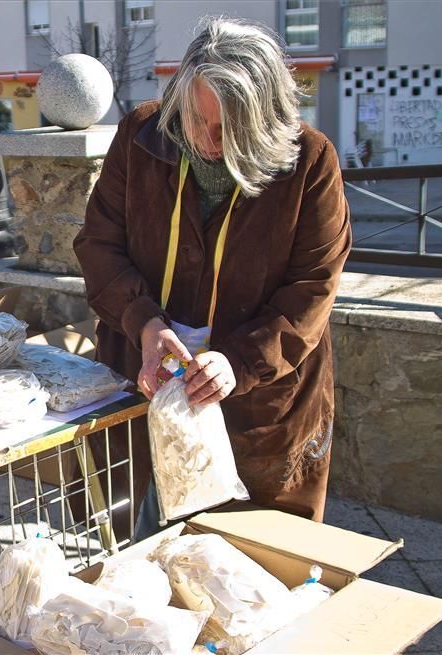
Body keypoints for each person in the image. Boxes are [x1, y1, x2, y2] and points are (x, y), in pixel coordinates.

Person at [74, 18, 351, 538]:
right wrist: (145, 324)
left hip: (263, 396)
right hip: (145, 370)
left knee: (247, 565)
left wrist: (238, 361)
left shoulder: (311, 162)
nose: (206, 140)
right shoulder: (142, 135)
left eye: (228, 128)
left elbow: (313, 288)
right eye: (196, 119)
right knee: (135, 539)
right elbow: (99, 245)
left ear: (266, 119)